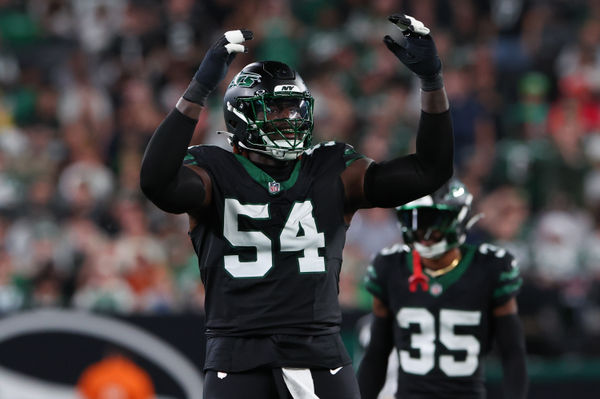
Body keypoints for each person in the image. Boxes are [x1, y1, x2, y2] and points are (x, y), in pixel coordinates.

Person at [140, 14, 453, 399]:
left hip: (320, 354)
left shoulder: (332, 168)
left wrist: (432, 83)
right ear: (241, 115)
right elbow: (156, 182)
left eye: (293, 108)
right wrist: (198, 89)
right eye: (275, 109)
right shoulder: (213, 170)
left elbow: (429, 171)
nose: (289, 119)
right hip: (238, 357)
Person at [357, 178, 528, 399]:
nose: (424, 233)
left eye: (433, 220)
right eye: (415, 220)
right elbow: (376, 356)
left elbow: (513, 354)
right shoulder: (390, 267)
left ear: (457, 218)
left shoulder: (489, 267)